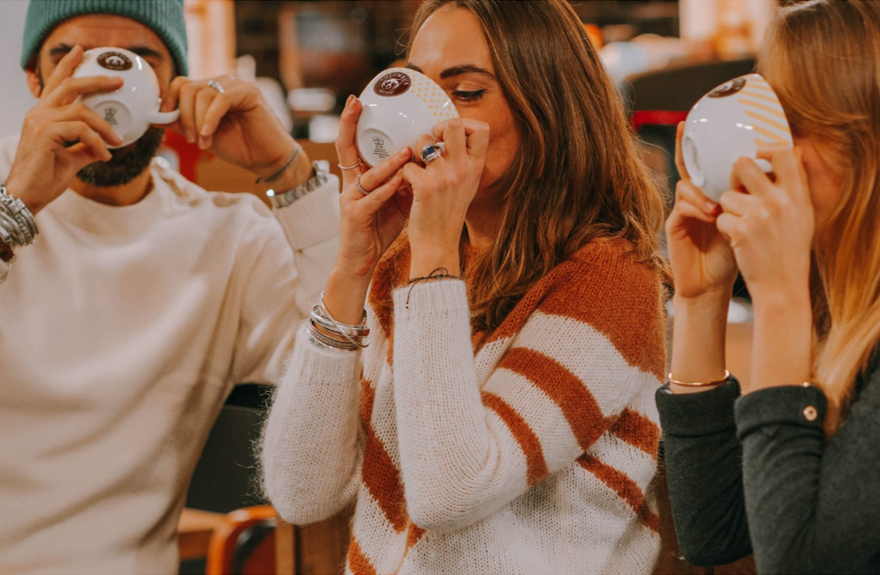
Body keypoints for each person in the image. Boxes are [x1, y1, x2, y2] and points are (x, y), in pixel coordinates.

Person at [0, 1, 340, 572]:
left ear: (172, 88)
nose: (105, 82)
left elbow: (345, 373)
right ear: (35, 81)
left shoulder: (228, 237)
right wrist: (11, 208)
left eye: (139, 59)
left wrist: (289, 173)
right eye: (72, 59)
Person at [261, 1, 668, 573]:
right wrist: (352, 266)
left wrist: (431, 247)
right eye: (421, 92)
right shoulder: (412, 262)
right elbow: (300, 491)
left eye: (466, 93)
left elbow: (450, 491)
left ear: (548, 105)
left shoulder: (610, 278)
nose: (430, 123)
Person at [657, 0, 880, 572]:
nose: (767, 153)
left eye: (792, 124)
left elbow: (795, 557)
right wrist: (701, 302)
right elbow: (714, 530)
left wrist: (780, 299)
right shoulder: (849, 293)